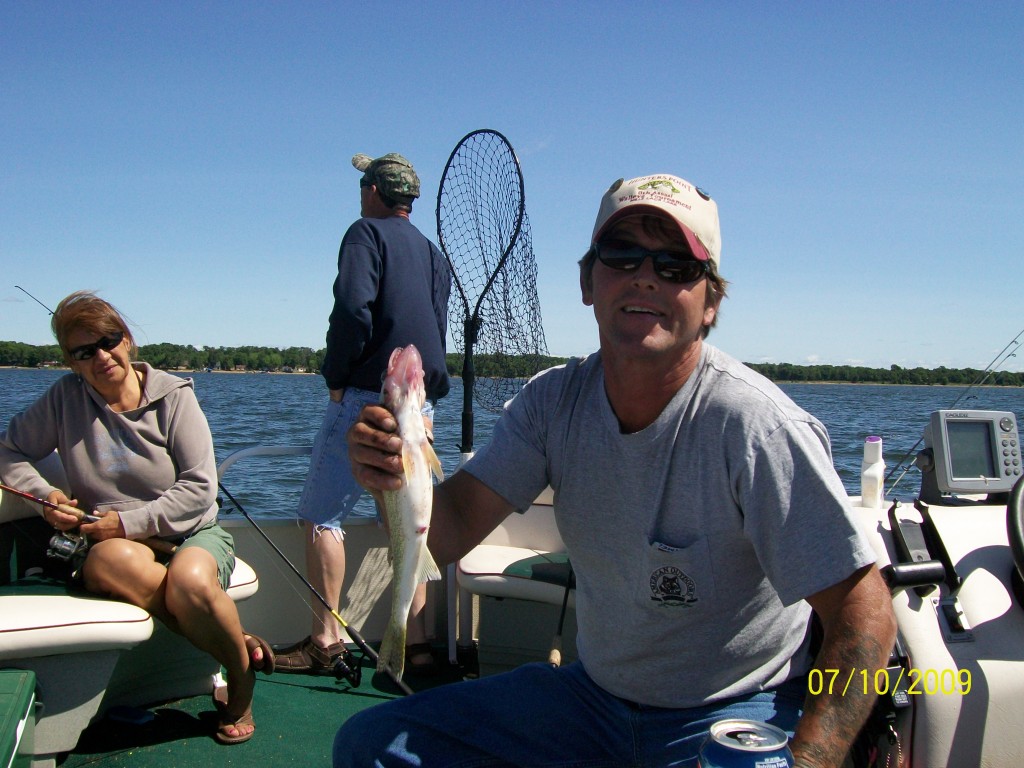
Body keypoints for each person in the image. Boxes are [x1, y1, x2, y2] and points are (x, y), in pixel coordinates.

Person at [338, 173, 898, 768]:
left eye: (677, 265)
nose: (645, 276)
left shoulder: (757, 428)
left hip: (735, 708)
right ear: (588, 281)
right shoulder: (550, 405)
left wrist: (810, 760)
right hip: (591, 700)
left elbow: (866, 615)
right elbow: (444, 536)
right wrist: (388, 474)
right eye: (622, 254)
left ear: (711, 303)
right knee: (370, 745)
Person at [0, 291, 273, 745]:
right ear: (71, 363)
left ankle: (240, 680)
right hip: (113, 544)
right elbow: (8, 451)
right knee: (111, 561)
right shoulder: (63, 399)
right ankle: (236, 646)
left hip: (190, 533)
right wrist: (46, 498)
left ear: (126, 340)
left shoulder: (174, 397)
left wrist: (127, 523)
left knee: (190, 580)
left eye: (108, 341)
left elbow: (199, 488)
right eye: (83, 352)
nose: (101, 357)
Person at [275, 152, 451, 676]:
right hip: (420, 403)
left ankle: (326, 640)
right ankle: (417, 643)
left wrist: (335, 377)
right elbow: (437, 325)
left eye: (362, 185)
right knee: (410, 522)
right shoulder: (433, 253)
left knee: (321, 514)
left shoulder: (364, 234)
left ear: (373, 190)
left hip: (366, 399)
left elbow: (353, 309)